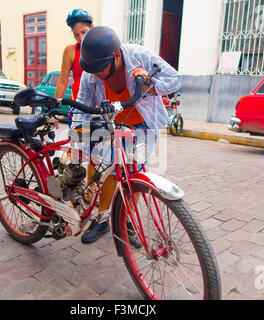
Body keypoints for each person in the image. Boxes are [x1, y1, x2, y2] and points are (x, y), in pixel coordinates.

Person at [73, 26, 182, 244]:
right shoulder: (90, 74)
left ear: (117, 56)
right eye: (91, 68)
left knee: (134, 173)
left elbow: (175, 79)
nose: (94, 74)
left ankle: (126, 221)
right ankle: (103, 219)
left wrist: (151, 84)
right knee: (109, 172)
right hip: (112, 125)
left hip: (143, 125)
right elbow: (81, 109)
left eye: (98, 68)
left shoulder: (140, 56)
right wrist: (80, 146)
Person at [55, 9, 94, 127]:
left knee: (103, 143)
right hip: (78, 106)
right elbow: (62, 81)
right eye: (76, 34)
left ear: (92, 27)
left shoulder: (102, 47)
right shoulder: (70, 51)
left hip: (100, 107)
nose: (81, 38)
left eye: (84, 32)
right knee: (80, 143)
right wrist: (54, 109)